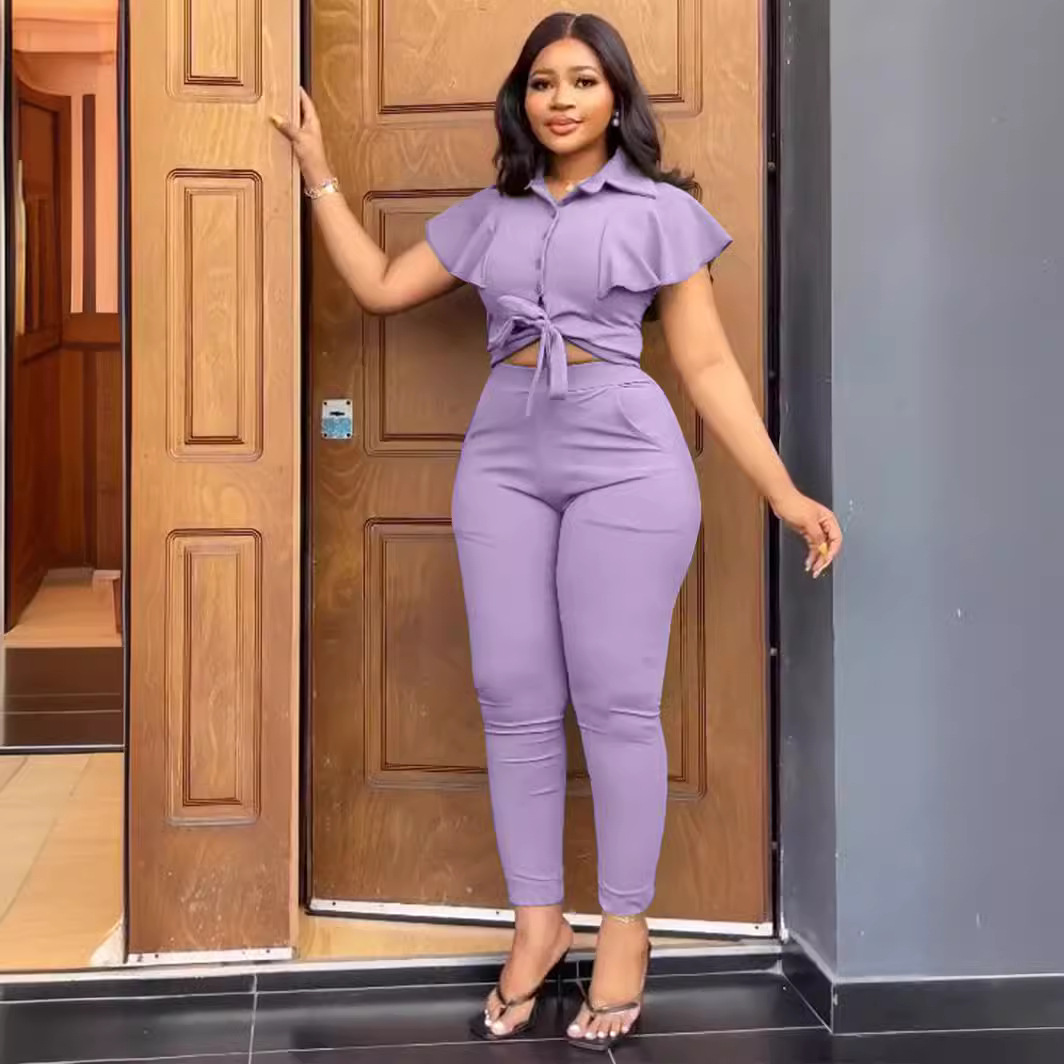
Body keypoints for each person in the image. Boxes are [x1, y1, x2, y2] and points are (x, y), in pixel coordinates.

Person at [274, 10, 842, 1053]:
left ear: (615, 98)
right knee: (511, 695)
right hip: (502, 455)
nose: (561, 98)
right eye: (543, 82)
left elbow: (707, 366)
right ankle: (538, 922)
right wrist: (318, 174)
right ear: (522, 100)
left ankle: (626, 927)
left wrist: (781, 491)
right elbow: (379, 287)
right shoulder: (492, 214)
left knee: (615, 701)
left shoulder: (661, 212)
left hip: (626, 454)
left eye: (583, 80)